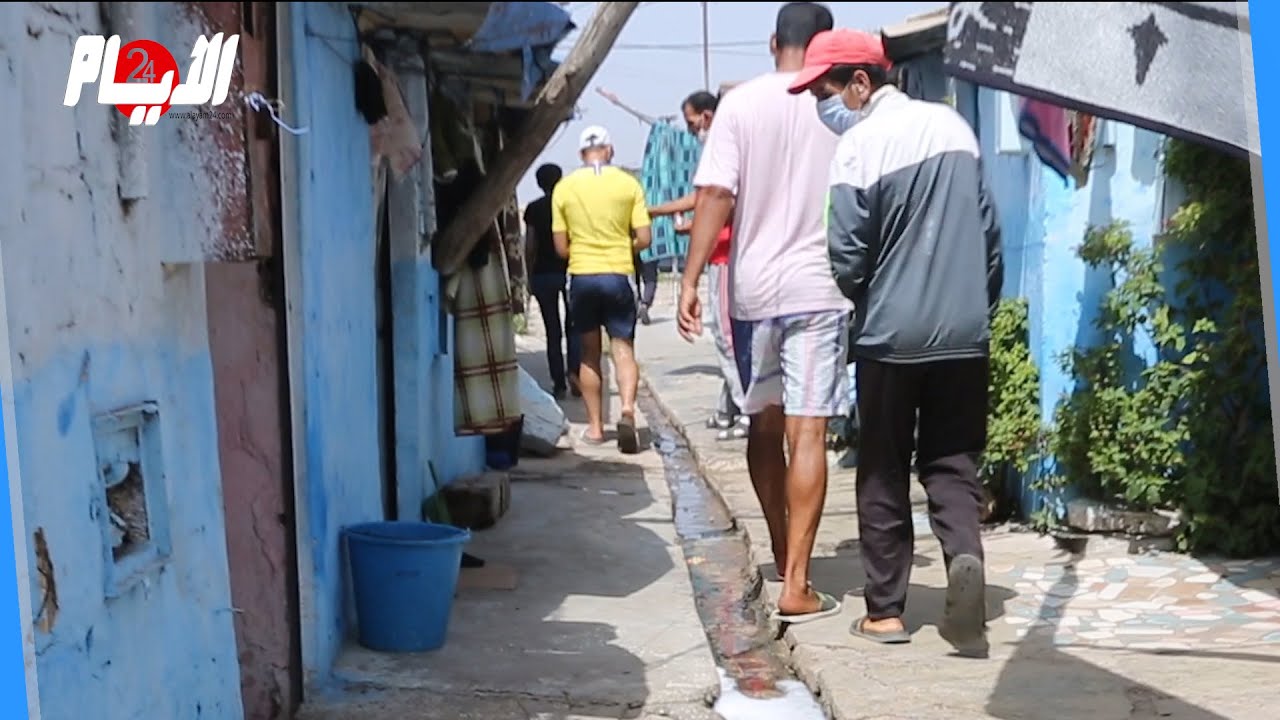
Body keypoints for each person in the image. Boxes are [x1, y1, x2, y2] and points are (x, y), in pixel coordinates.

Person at [789, 29, 1004, 658]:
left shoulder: (859, 146)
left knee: (883, 468)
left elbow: (847, 251)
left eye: (827, 91)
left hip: (889, 336)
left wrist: (869, 300)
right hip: (965, 332)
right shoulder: (955, 128)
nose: (824, 106)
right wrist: (974, 309)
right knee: (953, 461)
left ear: (862, 81)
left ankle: (885, 613)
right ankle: (964, 556)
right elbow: (990, 234)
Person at [678, 1, 849, 625]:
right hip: (821, 289)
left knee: (764, 423)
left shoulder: (742, 104)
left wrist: (691, 279)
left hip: (752, 292)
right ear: (825, 45)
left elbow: (716, 193)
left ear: (772, 41)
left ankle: (782, 550)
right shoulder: (837, 109)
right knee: (810, 434)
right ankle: (798, 581)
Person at [649, 89, 748, 441]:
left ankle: (745, 410)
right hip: (724, 250)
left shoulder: (723, 143)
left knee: (726, 337)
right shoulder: (731, 141)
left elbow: (714, 199)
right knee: (730, 338)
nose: (691, 131)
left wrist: (666, 215)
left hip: (725, 254)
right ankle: (729, 408)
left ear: (706, 116)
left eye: (692, 123)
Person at [552, 125, 652, 454]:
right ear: (609, 150)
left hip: (581, 276)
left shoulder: (564, 189)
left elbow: (561, 248)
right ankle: (626, 411)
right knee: (623, 349)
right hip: (618, 275)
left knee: (590, 353)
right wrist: (624, 248)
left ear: (582, 154)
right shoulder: (628, 184)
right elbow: (644, 238)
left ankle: (595, 428)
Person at [524, 163, 582, 400]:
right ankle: (575, 374)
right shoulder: (571, 206)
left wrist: (527, 275)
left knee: (552, 331)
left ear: (539, 183)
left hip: (543, 274)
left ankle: (558, 384)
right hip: (572, 271)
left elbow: (530, 246)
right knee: (575, 328)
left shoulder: (534, 208)